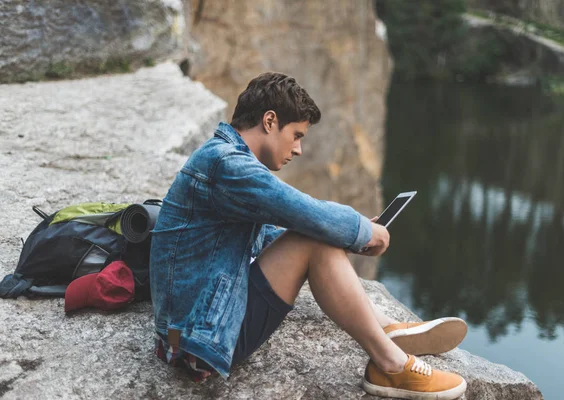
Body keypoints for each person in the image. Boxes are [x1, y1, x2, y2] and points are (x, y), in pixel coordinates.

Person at [149, 72, 468, 399]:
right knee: (314, 236)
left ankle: (385, 330)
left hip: (191, 329)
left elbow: (267, 236)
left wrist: (343, 232)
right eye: (297, 135)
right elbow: (303, 210)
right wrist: (360, 230)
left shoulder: (223, 157)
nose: (298, 149)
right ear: (270, 121)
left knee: (317, 233)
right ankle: (390, 364)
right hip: (196, 340)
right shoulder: (227, 164)